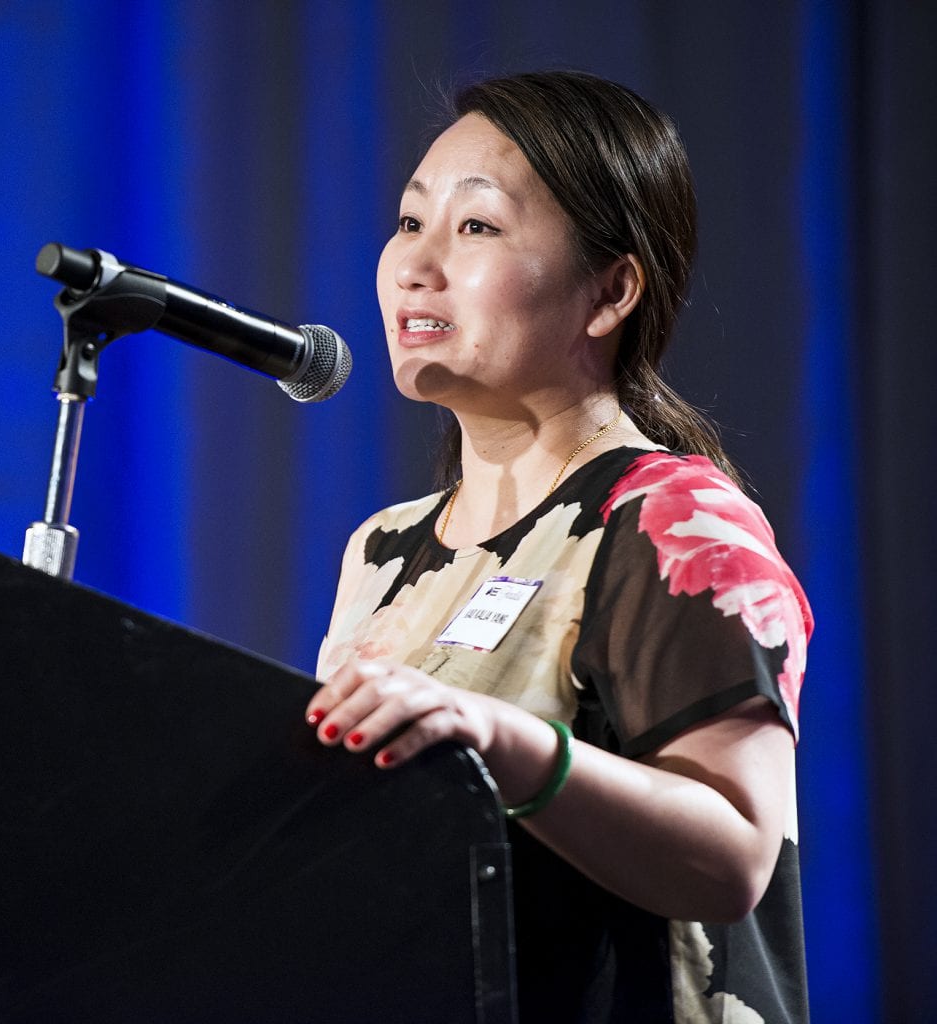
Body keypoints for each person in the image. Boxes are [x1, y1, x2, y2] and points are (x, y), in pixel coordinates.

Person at [304, 70, 811, 1022]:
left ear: (610, 290)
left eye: (478, 228)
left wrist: (504, 743)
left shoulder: (673, 520)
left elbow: (735, 855)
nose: (416, 266)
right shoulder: (384, 547)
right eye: (410, 223)